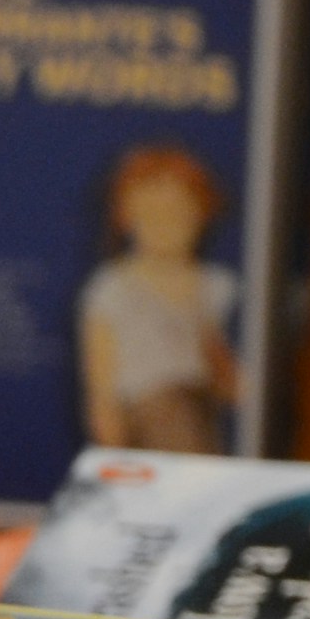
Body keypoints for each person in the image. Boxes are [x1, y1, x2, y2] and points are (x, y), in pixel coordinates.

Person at [79, 142, 242, 453]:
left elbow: (237, 383)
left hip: (206, 416)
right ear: (127, 216)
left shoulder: (221, 286)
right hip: (148, 415)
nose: (165, 225)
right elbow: (101, 390)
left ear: (202, 213)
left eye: (178, 211)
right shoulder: (111, 288)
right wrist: (114, 444)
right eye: (151, 212)